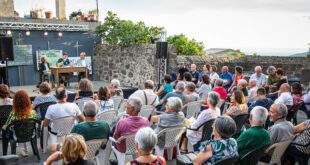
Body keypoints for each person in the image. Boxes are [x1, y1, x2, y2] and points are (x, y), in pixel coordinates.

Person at [3, 90, 36, 157]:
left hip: (17, 136)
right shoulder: (33, 112)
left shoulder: (13, 113)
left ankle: (6, 153)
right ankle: (26, 150)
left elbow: (6, 126)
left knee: (7, 129)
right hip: (31, 134)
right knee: (24, 127)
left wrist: (5, 127)